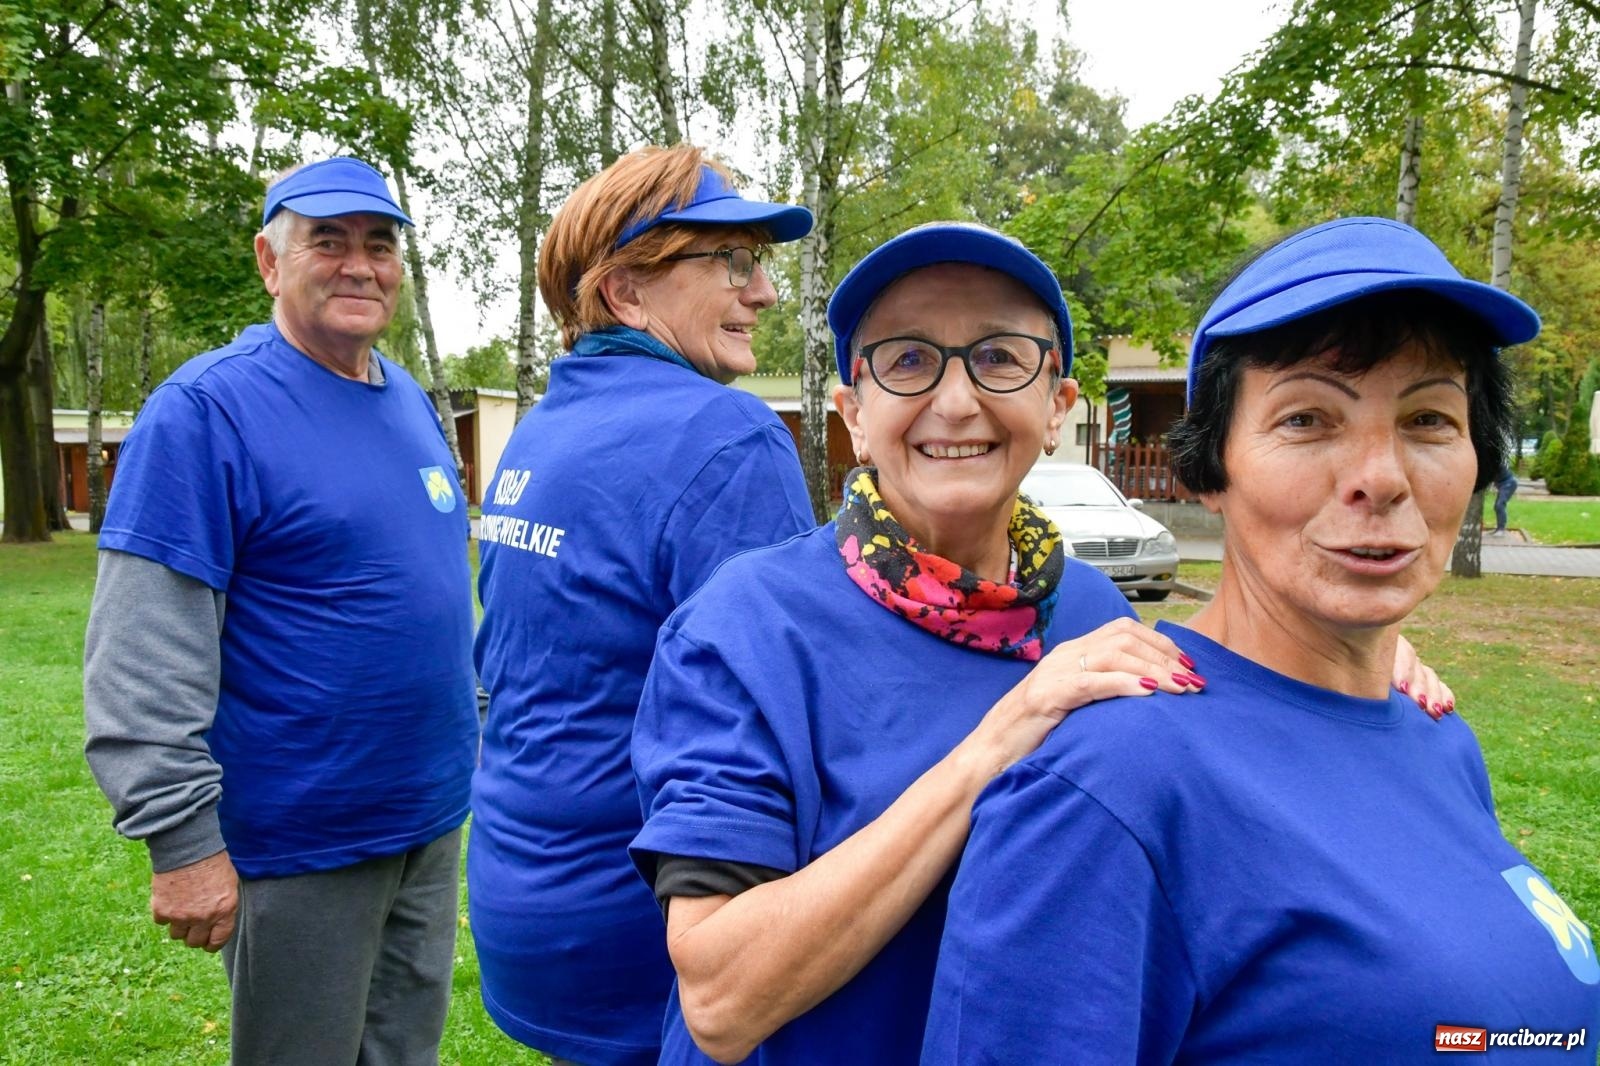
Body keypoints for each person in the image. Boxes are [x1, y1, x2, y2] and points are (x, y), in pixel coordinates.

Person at [922, 217, 1600, 1064]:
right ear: (1210, 471)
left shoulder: (1435, 734)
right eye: (1309, 419)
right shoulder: (1110, 793)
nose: (1381, 478)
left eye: (1429, 420)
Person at [627, 221, 1219, 1065]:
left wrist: (1359, 669)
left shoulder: (1084, 605)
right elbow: (721, 1000)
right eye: (907, 360)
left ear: (1057, 406)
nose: (955, 400)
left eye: (1000, 357)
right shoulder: (744, 630)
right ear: (854, 415)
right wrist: (997, 743)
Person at [83, 157, 477, 1065]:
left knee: (401, 1053)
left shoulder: (411, 399)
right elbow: (144, 643)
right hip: (302, 839)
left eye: (380, 245)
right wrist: (181, 840)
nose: (358, 265)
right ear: (269, 260)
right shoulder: (206, 410)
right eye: (326, 241)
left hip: (427, 818)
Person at [469, 145, 816, 1066]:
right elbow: (792, 708)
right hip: (652, 926)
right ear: (625, 293)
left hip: (523, 886)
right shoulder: (728, 434)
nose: (765, 292)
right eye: (732, 260)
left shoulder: (543, 428)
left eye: (761, 261)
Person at [1491, 462, 1518, 535]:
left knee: (1500, 505)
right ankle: (1499, 528)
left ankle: (1501, 529)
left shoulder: (1494, 460)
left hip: (1508, 483)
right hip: (1502, 484)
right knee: (1497, 506)